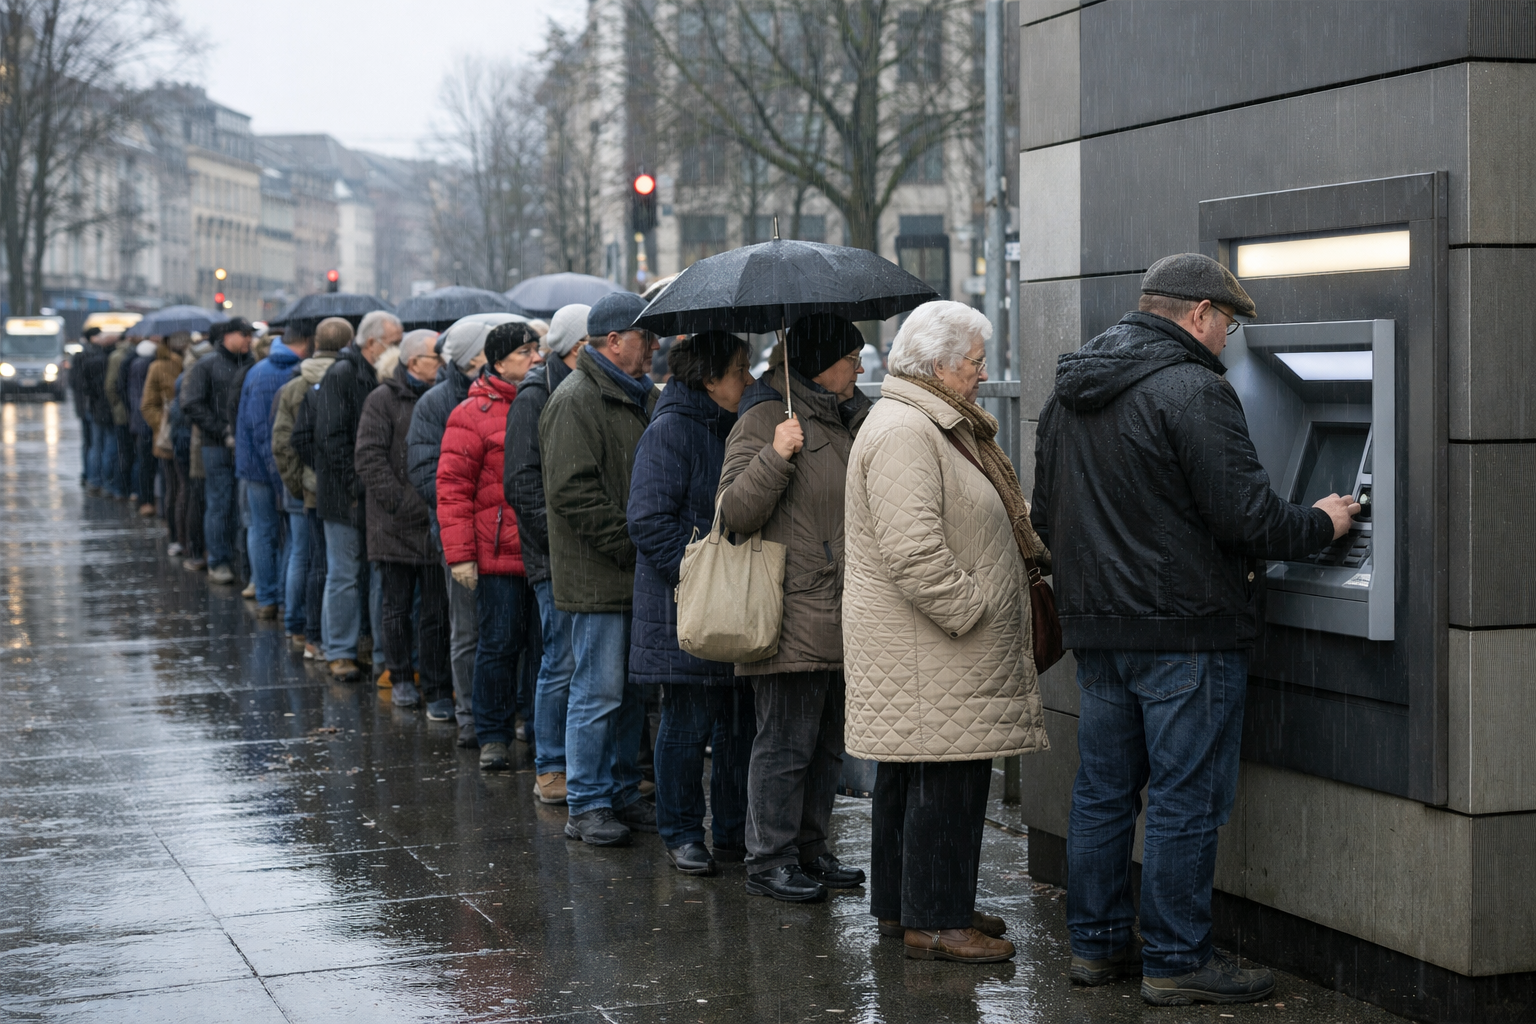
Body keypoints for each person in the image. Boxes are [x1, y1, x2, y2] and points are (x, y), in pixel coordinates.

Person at [1032, 253, 1359, 1005]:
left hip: (1101, 634)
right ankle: (1178, 958)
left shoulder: (1070, 393)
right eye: (1228, 326)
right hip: (1187, 632)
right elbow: (1247, 517)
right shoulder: (1193, 392)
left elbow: (1045, 517)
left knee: (1104, 793)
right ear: (1199, 314)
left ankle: (1098, 947)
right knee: (1185, 798)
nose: (1228, 342)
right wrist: (1323, 520)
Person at [844, 301, 1050, 963]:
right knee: (946, 783)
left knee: (917, 780)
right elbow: (913, 552)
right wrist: (975, 611)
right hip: (935, 644)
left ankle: (913, 904)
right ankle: (935, 920)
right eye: (973, 363)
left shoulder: (921, 419)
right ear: (935, 364)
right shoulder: (909, 428)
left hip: (925, 646)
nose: (982, 375)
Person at [716, 312, 871, 902]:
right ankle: (769, 857)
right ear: (821, 362)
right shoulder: (765, 418)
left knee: (827, 744)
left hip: (842, 607)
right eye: (851, 358)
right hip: (791, 611)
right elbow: (733, 512)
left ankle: (810, 847)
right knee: (784, 744)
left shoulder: (844, 415)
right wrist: (776, 456)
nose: (858, 368)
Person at [627, 331, 757, 876]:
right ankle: (681, 831)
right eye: (738, 371)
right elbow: (648, 520)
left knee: (736, 725)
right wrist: (701, 574)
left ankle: (730, 833)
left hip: (730, 604)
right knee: (687, 725)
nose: (747, 381)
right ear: (709, 380)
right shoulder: (672, 429)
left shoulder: (731, 424)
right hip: (687, 606)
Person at [539, 292, 660, 846]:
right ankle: (587, 802)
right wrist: (634, 545)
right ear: (613, 342)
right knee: (598, 692)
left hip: (629, 570)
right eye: (644, 338)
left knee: (630, 693)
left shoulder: (637, 395)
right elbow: (572, 492)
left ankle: (618, 794)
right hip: (600, 574)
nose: (653, 348)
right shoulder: (576, 399)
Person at [407, 312, 524, 748]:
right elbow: (436, 477)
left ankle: (503, 712)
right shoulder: (440, 404)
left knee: (504, 634)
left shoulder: (519, 398)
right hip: (465, 536)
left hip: (507, 539)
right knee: (469, 632)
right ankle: (471, 715)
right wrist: (463, 534)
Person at [438, 322, 542, 768]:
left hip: (538, 550)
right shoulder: (471, 413)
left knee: (542, 652)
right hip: (496, 554)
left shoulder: (541, 401)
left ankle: (538, 730)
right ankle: (493, 734)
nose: (535, 359)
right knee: (498, 646)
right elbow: (452, 489)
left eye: (536, 350)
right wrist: (460, 555)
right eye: (524, 353)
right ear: (497, 362)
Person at [505, 303, 587, 804]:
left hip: (579, 553)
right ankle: (551, 764)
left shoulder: (574, 388)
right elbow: (523, 482)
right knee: (560, 660)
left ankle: (577, 762)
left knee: (585, 663)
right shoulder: (536, 394)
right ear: (579, 347)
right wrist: (560, 542)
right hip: (553, 555)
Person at [355, 329, 452, 715]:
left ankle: (436, 685)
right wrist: (405, 501)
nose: (441, 365)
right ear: (413, 363)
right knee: (396, 607)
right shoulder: (381, 400)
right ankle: (400, 677)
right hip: (394, 524)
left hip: (431, 520)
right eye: (434, 358)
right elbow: (369, 458)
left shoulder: (440, 397)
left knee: (435, 611)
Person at [314, 310, 403, 682]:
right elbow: (331, 439)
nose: (396, 349)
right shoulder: (342, 374)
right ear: (371, 344)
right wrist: (356, 485)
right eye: (393, 342)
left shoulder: (374, 375)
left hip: (369, 493)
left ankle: (369, 647)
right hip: (346, 496)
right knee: (345, 575)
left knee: (373, 576)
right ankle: (339, 651)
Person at [275, 318, 350, 659]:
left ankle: (306, 631)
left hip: (311, 488)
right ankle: (324, 635)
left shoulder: (294, 385)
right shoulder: (351, 379)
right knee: (336, 567)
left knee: (311, 560)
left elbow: (285, 442)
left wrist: (299, 483)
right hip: (340, 489)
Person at [236, 330, 308, 620]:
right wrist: (279, 474)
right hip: (267, 467)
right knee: (274, 532)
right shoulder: (277, 372)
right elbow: (266, 432)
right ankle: (272, 596)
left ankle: (271, 595)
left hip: (257, 465)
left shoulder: (261, 369)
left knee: (263, 530)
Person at [182, 318, 255, 584]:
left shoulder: (251, 364)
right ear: (228, 336)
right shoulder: (207, 365)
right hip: (216, 447)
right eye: (244, 334)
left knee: (242, 506)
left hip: (244, 446)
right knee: (220, 504)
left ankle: (237, 559)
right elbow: (191, 403)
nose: (249, 340)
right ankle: (219, 560)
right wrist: (221, 429)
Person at [142, 333, 190, 551]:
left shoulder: (193, 362)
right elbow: (148, 405)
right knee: (173, 487)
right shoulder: (159, 366)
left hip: (191, 437)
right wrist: (164, 425)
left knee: (187, 489)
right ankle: (175, 537)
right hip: (170, 439)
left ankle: (189, 535)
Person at [75, 329, 116, 495]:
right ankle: (106, 483)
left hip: (94, 407)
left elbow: (82, 386)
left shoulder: (88, 360)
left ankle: (94, 480)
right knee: (107, 446)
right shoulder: (109, 361)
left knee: (94, 445)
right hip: (105, 409)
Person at [125, 339, 159, 516]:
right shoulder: (151, 366)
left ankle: (143, 498)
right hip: (148, 421)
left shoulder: (133, 364)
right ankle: (147, 498)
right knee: (149, 463)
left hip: (138, 419)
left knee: (143, 462)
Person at [104, 333, 135, 500]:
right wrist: (118, 405)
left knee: (122, 452)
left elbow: (111, 386)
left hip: (126, 413)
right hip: (126, 414)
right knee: (124, 452)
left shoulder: (120, 356)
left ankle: (119, 488)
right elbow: (111, 386)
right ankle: (121, 488)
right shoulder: (121, 357)